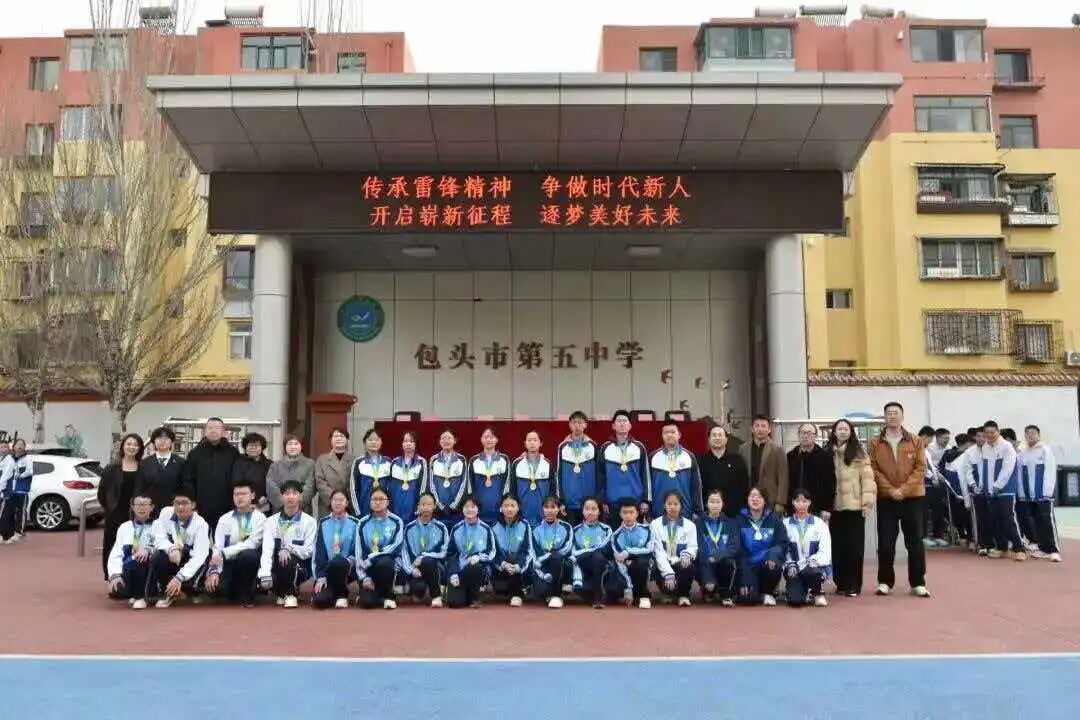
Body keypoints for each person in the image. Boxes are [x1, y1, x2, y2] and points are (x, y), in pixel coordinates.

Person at [869, 402, 930, 598]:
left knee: (915, 542)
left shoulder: (916, 440)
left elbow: (920, 468)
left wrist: (903, 490)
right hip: (887, 499)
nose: (892, 416)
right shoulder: (875, 442)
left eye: (896, 413)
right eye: (889, 413)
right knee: (886, 543)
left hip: (913, 498)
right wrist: (890, 490)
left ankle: (918, 582)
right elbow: (873, 469)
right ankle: (885, 582)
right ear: (884, 417)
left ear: (902, 416)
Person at [827, 419, 875, 597]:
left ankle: (854, 584)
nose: (842, 432)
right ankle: (840, 583)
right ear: (834, 432)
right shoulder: (828, 452)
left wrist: (867, 503)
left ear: (851, 432)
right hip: (835, 507)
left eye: (845, 429)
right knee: (837, 546)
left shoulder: (859, 452)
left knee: (854, 548)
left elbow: (868, 479)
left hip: (854, 506)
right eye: (839, 429)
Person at [205, 478, 266, 607]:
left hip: (250, 563)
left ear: (252, 495)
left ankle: (246, 592)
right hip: (228, 563)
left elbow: (252, 543)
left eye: (243, 494)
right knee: (214, 590)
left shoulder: (260, 518)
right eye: (236, 494)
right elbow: (217, 547)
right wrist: (213, 571)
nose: (239, 497)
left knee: (248, 554)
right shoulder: (225, 519)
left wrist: (223, 552)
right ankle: (232, 589)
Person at [258, 480, 318, 609]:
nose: (290, 497)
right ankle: (281, 592)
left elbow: (309, 550)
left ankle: (290, 594)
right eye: (286, 493)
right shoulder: (271, 521)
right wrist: (265, 573)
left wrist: (289, 548)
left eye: (294, 493)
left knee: (288, 559)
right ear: (281, 497)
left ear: (300, 496)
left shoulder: (310, 522)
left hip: (300, 566)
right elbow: (267, 549)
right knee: (262, 577)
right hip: (276, 566)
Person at [149, 487, 212, 608]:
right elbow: (158, 537)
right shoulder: (166, 513)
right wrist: (171, 549)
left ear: (193, 505)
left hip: (191, 557)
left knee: (205, 558)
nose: (180, 507)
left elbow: (200, 555)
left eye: (184, 503)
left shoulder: (201, 524)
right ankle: (169, 593)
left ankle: (193, 591)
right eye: (177, 503)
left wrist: (179, 577)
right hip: (174, 554)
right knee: (158, 557)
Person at [97, 433, 145, 580]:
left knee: (133, 545)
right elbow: (102, 493)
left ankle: (130, 578)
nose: (132, 447)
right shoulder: (111, 468)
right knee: (112, 546)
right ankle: (111, 577)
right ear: (123, 446)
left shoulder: (143, 468)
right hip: (115, 513)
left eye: (135, 445)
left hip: (136, 514)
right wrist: (110, 508)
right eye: (129, 444)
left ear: (140, 448)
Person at [181, 418, 240, 532]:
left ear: (223, 431)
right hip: (202, 505)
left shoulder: (233, 452)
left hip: (227, 505)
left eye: (217, 428)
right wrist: (192, 502)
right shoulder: (195, 453)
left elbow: (237, 478)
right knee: (201, 537)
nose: (213, 431)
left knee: (225, 538)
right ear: (205, 431)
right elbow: (188, 479)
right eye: (210, 428)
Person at [980, 421, 1026, 561]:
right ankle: (1002, 548)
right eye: (987, 433)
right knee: (995, 520)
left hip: (1005, 490)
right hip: (990, 490)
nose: (990, 435)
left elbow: (1007, 468)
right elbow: (985, 468)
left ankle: (1020, 549)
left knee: (1008, 519)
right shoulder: (985, 447)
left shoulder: (1007, 447)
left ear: (998, 432)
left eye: (992, 432)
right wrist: (984, 485)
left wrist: (998, 485)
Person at [105, 492, 157, 609]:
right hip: (128, 569)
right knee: (117, 590)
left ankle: (141, 597)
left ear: (152, 507)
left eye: (145, 505)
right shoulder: (125, 527)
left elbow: (162, 546)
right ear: (133, 507)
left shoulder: (157, 525)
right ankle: (133, 593)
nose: (141, 508)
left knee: (139, 559)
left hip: (149, 567)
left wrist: (148, 550)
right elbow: (116, 553)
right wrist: (114, 575)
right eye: (138, 505)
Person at [356, 486, 405, 610]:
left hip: (388, 567)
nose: (377, 502)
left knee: (385, 562)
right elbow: (358, 552)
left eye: (381, 499)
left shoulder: (397, 521)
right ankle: (375, 594)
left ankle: (389, 595)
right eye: (374, 499)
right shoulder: (362, 523)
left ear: (388, 502)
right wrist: (364, 577)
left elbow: (395, 546)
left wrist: (373, 558)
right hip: (368, 569)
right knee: (367, 603)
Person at [783, 488, 833, 607]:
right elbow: (783, 549)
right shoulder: (785, 524)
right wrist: (790, 564)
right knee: (795, 601)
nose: (801, 504)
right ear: (793, 503)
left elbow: (825, 550)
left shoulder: (819, 524)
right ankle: (801, 592)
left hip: (812, 568)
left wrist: (812, 561)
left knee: (813, 572)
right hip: (794, 569)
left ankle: (817, 592)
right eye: (798, 501)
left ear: (809, 503)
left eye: (804, 501)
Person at [736, 486, 786, 606]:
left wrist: (772, 555)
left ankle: (767, 591)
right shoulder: (739, 520)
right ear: (747, 499)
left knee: (773, 566)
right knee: (747, 600)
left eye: (759, 496)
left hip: (766, 564)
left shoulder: (774, 520)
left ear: (765, 500)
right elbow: (737, 546)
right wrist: (744, 568)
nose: (755, 499)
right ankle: (759, 594)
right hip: (748, 566)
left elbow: (781, 542)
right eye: (752, 496)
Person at [1018, 425, 1061, 562]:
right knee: (1036, 522)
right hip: (1029, 495)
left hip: (1043, 494)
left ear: (1038, 435)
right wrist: (1022, 492)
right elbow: (1020, 474)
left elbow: (1050, 471)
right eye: (1027, 433)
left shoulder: (1045, 450)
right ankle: (1042, 549)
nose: (1030, 435)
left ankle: (1053, 550)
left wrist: (1047, 491)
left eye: (1033, 433)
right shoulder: (1023, 453)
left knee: (1047, 521)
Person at [599, 410, 651, 522]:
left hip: (635, 503)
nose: (622, 423)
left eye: (625, 421)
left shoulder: (639, 447)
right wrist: (602, 501)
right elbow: (600, 476)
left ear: (630, 425)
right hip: (612, 504)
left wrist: (645, 500)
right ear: (613, 426)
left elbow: (645, 475)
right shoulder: (605, 447)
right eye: (619, 421)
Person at [445, 495, 496, 609]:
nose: (469, 509)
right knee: (455, 603)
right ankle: (465, 594)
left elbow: (492, 552)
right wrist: (453, 572)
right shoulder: (456, 528)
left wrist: (479, 557)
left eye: (473, 507)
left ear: (478, 509)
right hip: (460, 571)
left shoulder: (486, 529)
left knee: (475, 566)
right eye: (466, 507)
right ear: (462, 509)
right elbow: (451, 554)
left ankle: (475, 597)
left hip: (478, 569)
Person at [312, 489, 360, 609]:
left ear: (347, 503)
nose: (338, 503)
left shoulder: (355, 523)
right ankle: (332, 593)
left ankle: (341, 595)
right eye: (335, 500)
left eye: (341, 500)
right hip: (327, 570)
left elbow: (358, 550)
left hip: (347, 568)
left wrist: (348, 561)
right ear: (330, 502)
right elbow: (319, 552)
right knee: (320, 601)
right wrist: (321, 576)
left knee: (338, 562)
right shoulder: (323, 523)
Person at [649, 490, 698, 607]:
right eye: (669, 504)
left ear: (681, 506)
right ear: (664, 505)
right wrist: (668, 573)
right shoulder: (655, 524)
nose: (672, 507)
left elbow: (693, 546)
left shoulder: (690, 525)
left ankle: (684, 595)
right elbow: (658, 552)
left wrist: (687, 554)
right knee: (656, 566)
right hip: (663, 564)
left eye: (676, 504)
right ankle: (666, 593)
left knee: (689, 566)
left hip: (680, 563)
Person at [401, 492, 450, 607]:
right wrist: (411, 570)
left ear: (434, 506)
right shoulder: (409, 528)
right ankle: (420, 591)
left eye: (429, 504)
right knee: (418, 590)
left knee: (428, 561)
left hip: (435, 566)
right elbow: (404, 552)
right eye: (423, 504)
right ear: (418, 507)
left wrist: (425, 556)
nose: (426, 507)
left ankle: (436, 596)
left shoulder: (441, 527)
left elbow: (444, 552)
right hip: (416, 569)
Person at [649, 423, 703, 520]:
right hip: (658, 510)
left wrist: (697, 510)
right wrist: (649, 509)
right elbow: (648, 485)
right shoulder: (653, 456)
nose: (669, 435)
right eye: (666, 432)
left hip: (685, 511)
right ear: (662, 435)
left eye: (673, 432)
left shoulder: (689, 456)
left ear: (679, 435)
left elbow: (696, 485)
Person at [696, 489, 740, 605]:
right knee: (698, 560)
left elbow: (734, 546)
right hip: (705, 562)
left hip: (722, 561)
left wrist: (717, 556)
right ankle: (708, 590)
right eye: (712, 502)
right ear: (706, 504)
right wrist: (708, 576)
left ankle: (725, 593)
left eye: (718, 502)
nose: (715, 505)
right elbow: (699, 547)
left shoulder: (731, 523)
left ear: (722, 504)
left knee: (729, 563)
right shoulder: (698, 523)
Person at [608, 498, 654, 608]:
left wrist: (628, 552)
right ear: (620, 514)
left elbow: (649, 549)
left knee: (641, 561)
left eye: (631, 512)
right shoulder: (615, 536)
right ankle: (630, 591)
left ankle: (643, 595)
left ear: (637, 513)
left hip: (646, 567)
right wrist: (628, 588)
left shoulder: (647, 529)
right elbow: (619, 562)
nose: (628, 516)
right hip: (626, 571)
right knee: (612, 590)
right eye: (625, 512)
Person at [556, 411, 600, 526]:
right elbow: (559, 474)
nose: (577, 425)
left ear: (585, 425)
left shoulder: (593, 446)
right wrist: (561, 500)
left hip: (589, 503)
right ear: (569, 425)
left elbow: (599, 474)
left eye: (580, 422)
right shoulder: (562, 447)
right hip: (569, 502)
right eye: (574, 422)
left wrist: (597, 499)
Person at [697, 424, 750, 519]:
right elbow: (698, 488)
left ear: (726, 439)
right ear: (709, 439)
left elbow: (744, 486)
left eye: (720, 435)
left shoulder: (737, 460)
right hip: (708, 513)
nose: (717, 438)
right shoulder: (700, 461)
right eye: (714, 435)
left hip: (733, 514)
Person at [738, 415, 788, 515]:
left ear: (769, 429)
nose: (760, 429)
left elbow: (783, 477)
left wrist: (780, 502)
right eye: (757, 426)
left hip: (770, 500)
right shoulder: (743, 448)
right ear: (752, 429)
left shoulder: (777, 449)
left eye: (763, 426)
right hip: (749, 499)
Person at [530, 495, 573, 608]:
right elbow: (534, 550)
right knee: (540, 591)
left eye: (553, 507)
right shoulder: (536, 528)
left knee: (556, 557)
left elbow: (567, 549)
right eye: (546, 507)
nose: (549, 510)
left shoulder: (566, 527)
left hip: (559, 563)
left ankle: (556, 595)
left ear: (558, 509)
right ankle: (547, 591)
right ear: (542, 509)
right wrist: (547, 557)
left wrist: (551, 555)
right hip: (542, 564)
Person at [570, 497, 612, 608]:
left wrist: (585, 553)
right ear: (582, 511)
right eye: (587, 509)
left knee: (597, 556)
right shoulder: (575, 531)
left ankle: (598, 596)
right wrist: (585, 555)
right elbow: (573, 553)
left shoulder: (606, 529)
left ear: (599, 511)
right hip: (582, 568)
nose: (590, 512)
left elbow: (603, 549)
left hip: (602, 569)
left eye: (594, 509)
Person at [786, 423, 835, 518]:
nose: (805, 436)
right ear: (798, 435)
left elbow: (830, 484)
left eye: (809, 433)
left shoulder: (825, 457)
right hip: (794, 507)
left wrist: (827, 508)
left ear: (815, 436)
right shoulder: (790, 456)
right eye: (803, 433)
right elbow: (786, 482)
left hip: (817, 508)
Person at [491, 494, 532, 607]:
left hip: (520, 569)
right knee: (500, 588)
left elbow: (528, 551)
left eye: (513, 506)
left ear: (518, 508)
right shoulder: (494, 526)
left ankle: (517, 594)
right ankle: (507, 588)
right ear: (501, 508)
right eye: (506, 506)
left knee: (513, 558)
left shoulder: (525, 525)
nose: (509, 509)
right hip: (501, 568)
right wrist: (503, 564)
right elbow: (493, 553)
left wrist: (519, 566)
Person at [136, 427, 184, 520]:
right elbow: (139, 488)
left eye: (166, 438)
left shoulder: (181, 463)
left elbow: (185, 488)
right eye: (159, 438)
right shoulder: (144, 463)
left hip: (174, 512)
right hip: (149, 512)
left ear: (171, 441)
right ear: (154, 442)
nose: (162, 441)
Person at [468, 427, 511, 524]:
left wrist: (504, 506)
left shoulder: (504, 459)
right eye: (486, 437)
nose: (489, 440)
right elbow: (470, 487)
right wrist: (472, 507)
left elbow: (508, 485)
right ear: (481, 439)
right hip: (479, 511)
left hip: (498, 510)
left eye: (491, 437)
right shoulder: (474, 460)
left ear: (497, 439)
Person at [510, 430, 553, 527]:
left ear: (541, 443)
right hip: (522, 514)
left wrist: (549, 510)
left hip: (543, 514)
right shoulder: (517, 463)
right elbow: (512, 490)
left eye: (535, 440)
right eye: (529, 440)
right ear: (525, 443)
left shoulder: (547, 464)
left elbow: (552, 490)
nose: (532, 443)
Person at [266, 435, 316, 515]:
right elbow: (271, 486)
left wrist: (298, 503)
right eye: (289, 444)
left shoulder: (310, 464)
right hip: (280, 509)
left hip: (303, 509)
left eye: (296, 444)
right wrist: (283, 502)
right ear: (285, 447)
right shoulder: (275, 465)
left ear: (301, 446)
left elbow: (310, 486)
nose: (293, 447)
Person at [961, 426, 991, 555]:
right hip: (977, 491)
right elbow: (967, 471)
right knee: (979, 518)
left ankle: (994, 544)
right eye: (979, 436)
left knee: (993, 517)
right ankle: (982, 545)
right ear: (975, 437)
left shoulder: (993, 450)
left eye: (983, 436)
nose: (981, 438)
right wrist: (973, 485)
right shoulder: (969, 452)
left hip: (992, 491)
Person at [352, 429, 392, 522]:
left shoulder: (388, 462)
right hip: (363, 509)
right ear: (364, 442)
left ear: (381, 442)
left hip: (384, 511)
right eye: (370, 440)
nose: (374, 442)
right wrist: (357, 511)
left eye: (377, 440)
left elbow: (391, 488)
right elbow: (353, 489)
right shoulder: (358, 462)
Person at [429, 429, 468, 526]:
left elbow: (464, 484)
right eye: (443, 438)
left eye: (449, 438)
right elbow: (431, 484)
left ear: (455, 440)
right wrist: (440, 505)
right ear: (439, 441)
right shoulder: (433, 459)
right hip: (438, 509)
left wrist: (454, 505)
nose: (446, 441)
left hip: (456, 510)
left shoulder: (461, 459)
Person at [918, 426, 948, 548]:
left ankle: (938, 535)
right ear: (925, 436)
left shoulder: (925, 450)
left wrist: (937, 474)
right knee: (924, 512)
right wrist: (932, 477)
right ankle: (923, 536)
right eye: (930, 439)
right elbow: (921, 467)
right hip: (923, 484)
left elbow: (930, 465)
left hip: (933, 484)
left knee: (938, 509)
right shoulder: (916, 448)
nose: (930, 442)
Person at [939, 432, 971, 544]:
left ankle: (959, 533)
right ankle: (966, 535)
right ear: (967, 443)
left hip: (950, 488)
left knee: (954, 513)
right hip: (961, 489)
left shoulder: (947, 453)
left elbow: (941, 468)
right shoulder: (965, 456)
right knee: (965, 513)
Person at [315, 427, 355, 518]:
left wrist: (344, 500)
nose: (339, 438)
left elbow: (355, 483)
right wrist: (334, 498)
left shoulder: (354, 460)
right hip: (327, 504)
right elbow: (319, 482)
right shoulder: (322, 459)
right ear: (331, 440)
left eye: (342, 436)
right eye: (336, 436)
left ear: (347, 440)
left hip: (347, 504)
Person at [389, 430, 425, 522]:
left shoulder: (422, 462)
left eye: (411, 441)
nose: (408, 444)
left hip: (413, 508)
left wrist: (419, 506)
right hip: (395, 507)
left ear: (416, 444)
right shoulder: (394, 462)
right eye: (405, 441)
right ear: (402, 444)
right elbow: (389, 487)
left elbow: (423, 488)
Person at [231, 432, 272, 514]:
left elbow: (272, 485)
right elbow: (234, 482)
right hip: (241, 504)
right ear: (245, 447)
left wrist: (263, 500)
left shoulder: (269, 464)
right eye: (250, 445)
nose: (253, 448)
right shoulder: (238, 462)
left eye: (256, 445)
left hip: (263, 505)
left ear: (262, 447)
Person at [0, 438, 32, 543]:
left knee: (20, 511)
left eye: (21, 444)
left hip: (21, 490)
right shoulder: (11, 459)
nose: (19, 446)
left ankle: (19, 531)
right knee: (10, 512)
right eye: (17, 444)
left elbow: (29, 471)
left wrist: (20, 475)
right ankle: (10, 533)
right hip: (12, 490)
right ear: (13, 447)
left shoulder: (26, 459)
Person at [0, 439, 15, 544]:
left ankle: (4, 535)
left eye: (5, 447)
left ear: (9, 449)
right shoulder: (2, 459)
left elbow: (4, 478)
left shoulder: (10, 461)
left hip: (5, 492)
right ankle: (8, 536)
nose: (3, 449)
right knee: (6, 514)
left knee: (3, 514)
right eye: (1, 447)